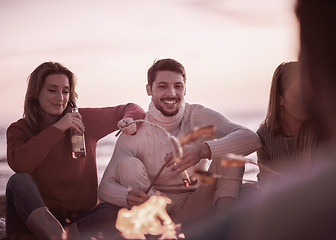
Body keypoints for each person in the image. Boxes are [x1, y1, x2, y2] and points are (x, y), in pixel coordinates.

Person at [185, 0, 336, 239]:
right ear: (281, 99)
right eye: (297, 96)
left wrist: (203, 149)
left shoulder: (319, 132)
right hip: (285, 200)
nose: (306, 100)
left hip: (297, 203)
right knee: (246, 192)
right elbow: (267, 180)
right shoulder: (266, 134)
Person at [98, 58, 261, 225]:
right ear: (149, 89)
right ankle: (160, 234)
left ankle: (224, 229)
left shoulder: (197, 116)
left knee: (234, 161)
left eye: (178, 86)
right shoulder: (135, 130)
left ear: (185, 89)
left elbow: (251, 138)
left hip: (196, 204)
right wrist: (126, 196)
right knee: (127, 164)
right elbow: (105, 187)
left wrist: (203, 150)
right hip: (156, 213)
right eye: (162, 86)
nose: (172, 93)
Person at [5, 61, 145, 239]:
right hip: (36, 222)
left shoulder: (83, 120)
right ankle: (56, 235)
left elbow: (132, 108)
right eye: (52, 90)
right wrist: (58, 128)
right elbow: (20, 164)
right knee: (18, 181)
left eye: (65, 91)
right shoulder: (20, 129)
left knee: (117, 210)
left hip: (80, 222)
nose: (60, 97)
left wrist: (129, 120)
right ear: (36, 93)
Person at [256, 61, 318, 185]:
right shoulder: (264, 137)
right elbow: (268, 186)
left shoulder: (320, 129)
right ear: (280, 99)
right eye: (296, 96)